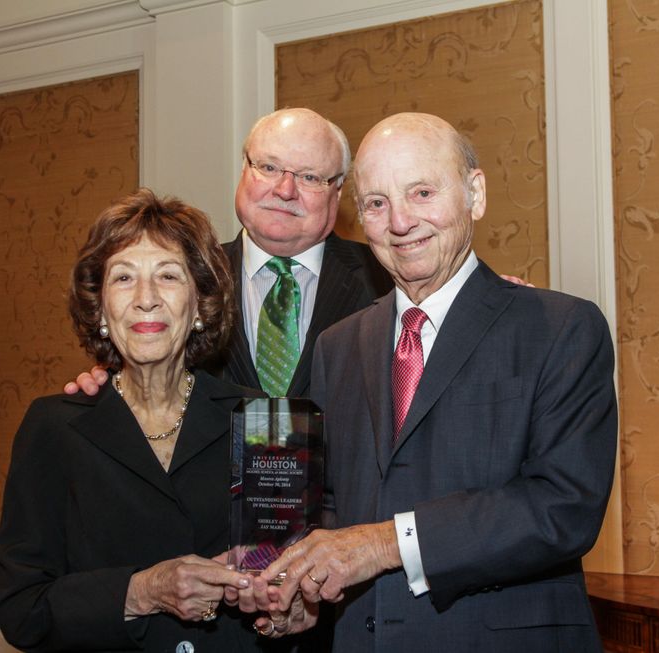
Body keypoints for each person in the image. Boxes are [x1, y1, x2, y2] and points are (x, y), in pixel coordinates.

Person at [246, 113, 618, 652]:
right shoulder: (337, 346)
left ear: (475, 194)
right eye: (376, 204)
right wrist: (302, 586)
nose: (400, 222)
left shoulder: (560, 328)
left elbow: (564, 507)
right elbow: (329, 506)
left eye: (421, 192)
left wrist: (386, 543)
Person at [0, 189, 272, 652]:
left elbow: (277, 590)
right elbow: (22, 609)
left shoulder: (257, 418)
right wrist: (141, 592)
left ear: (200, 305)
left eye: (168, 275)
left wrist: (280, 615)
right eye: (124, 278)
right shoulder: (53, 428)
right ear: (101, 309)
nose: (146, 299)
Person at [67, 108, 392, 400]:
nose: (285, 190)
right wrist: (110, 381)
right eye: (268, 167)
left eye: (309, 177)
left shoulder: (388, 278)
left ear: (337, 190)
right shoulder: (186, 277)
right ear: (244, 170)